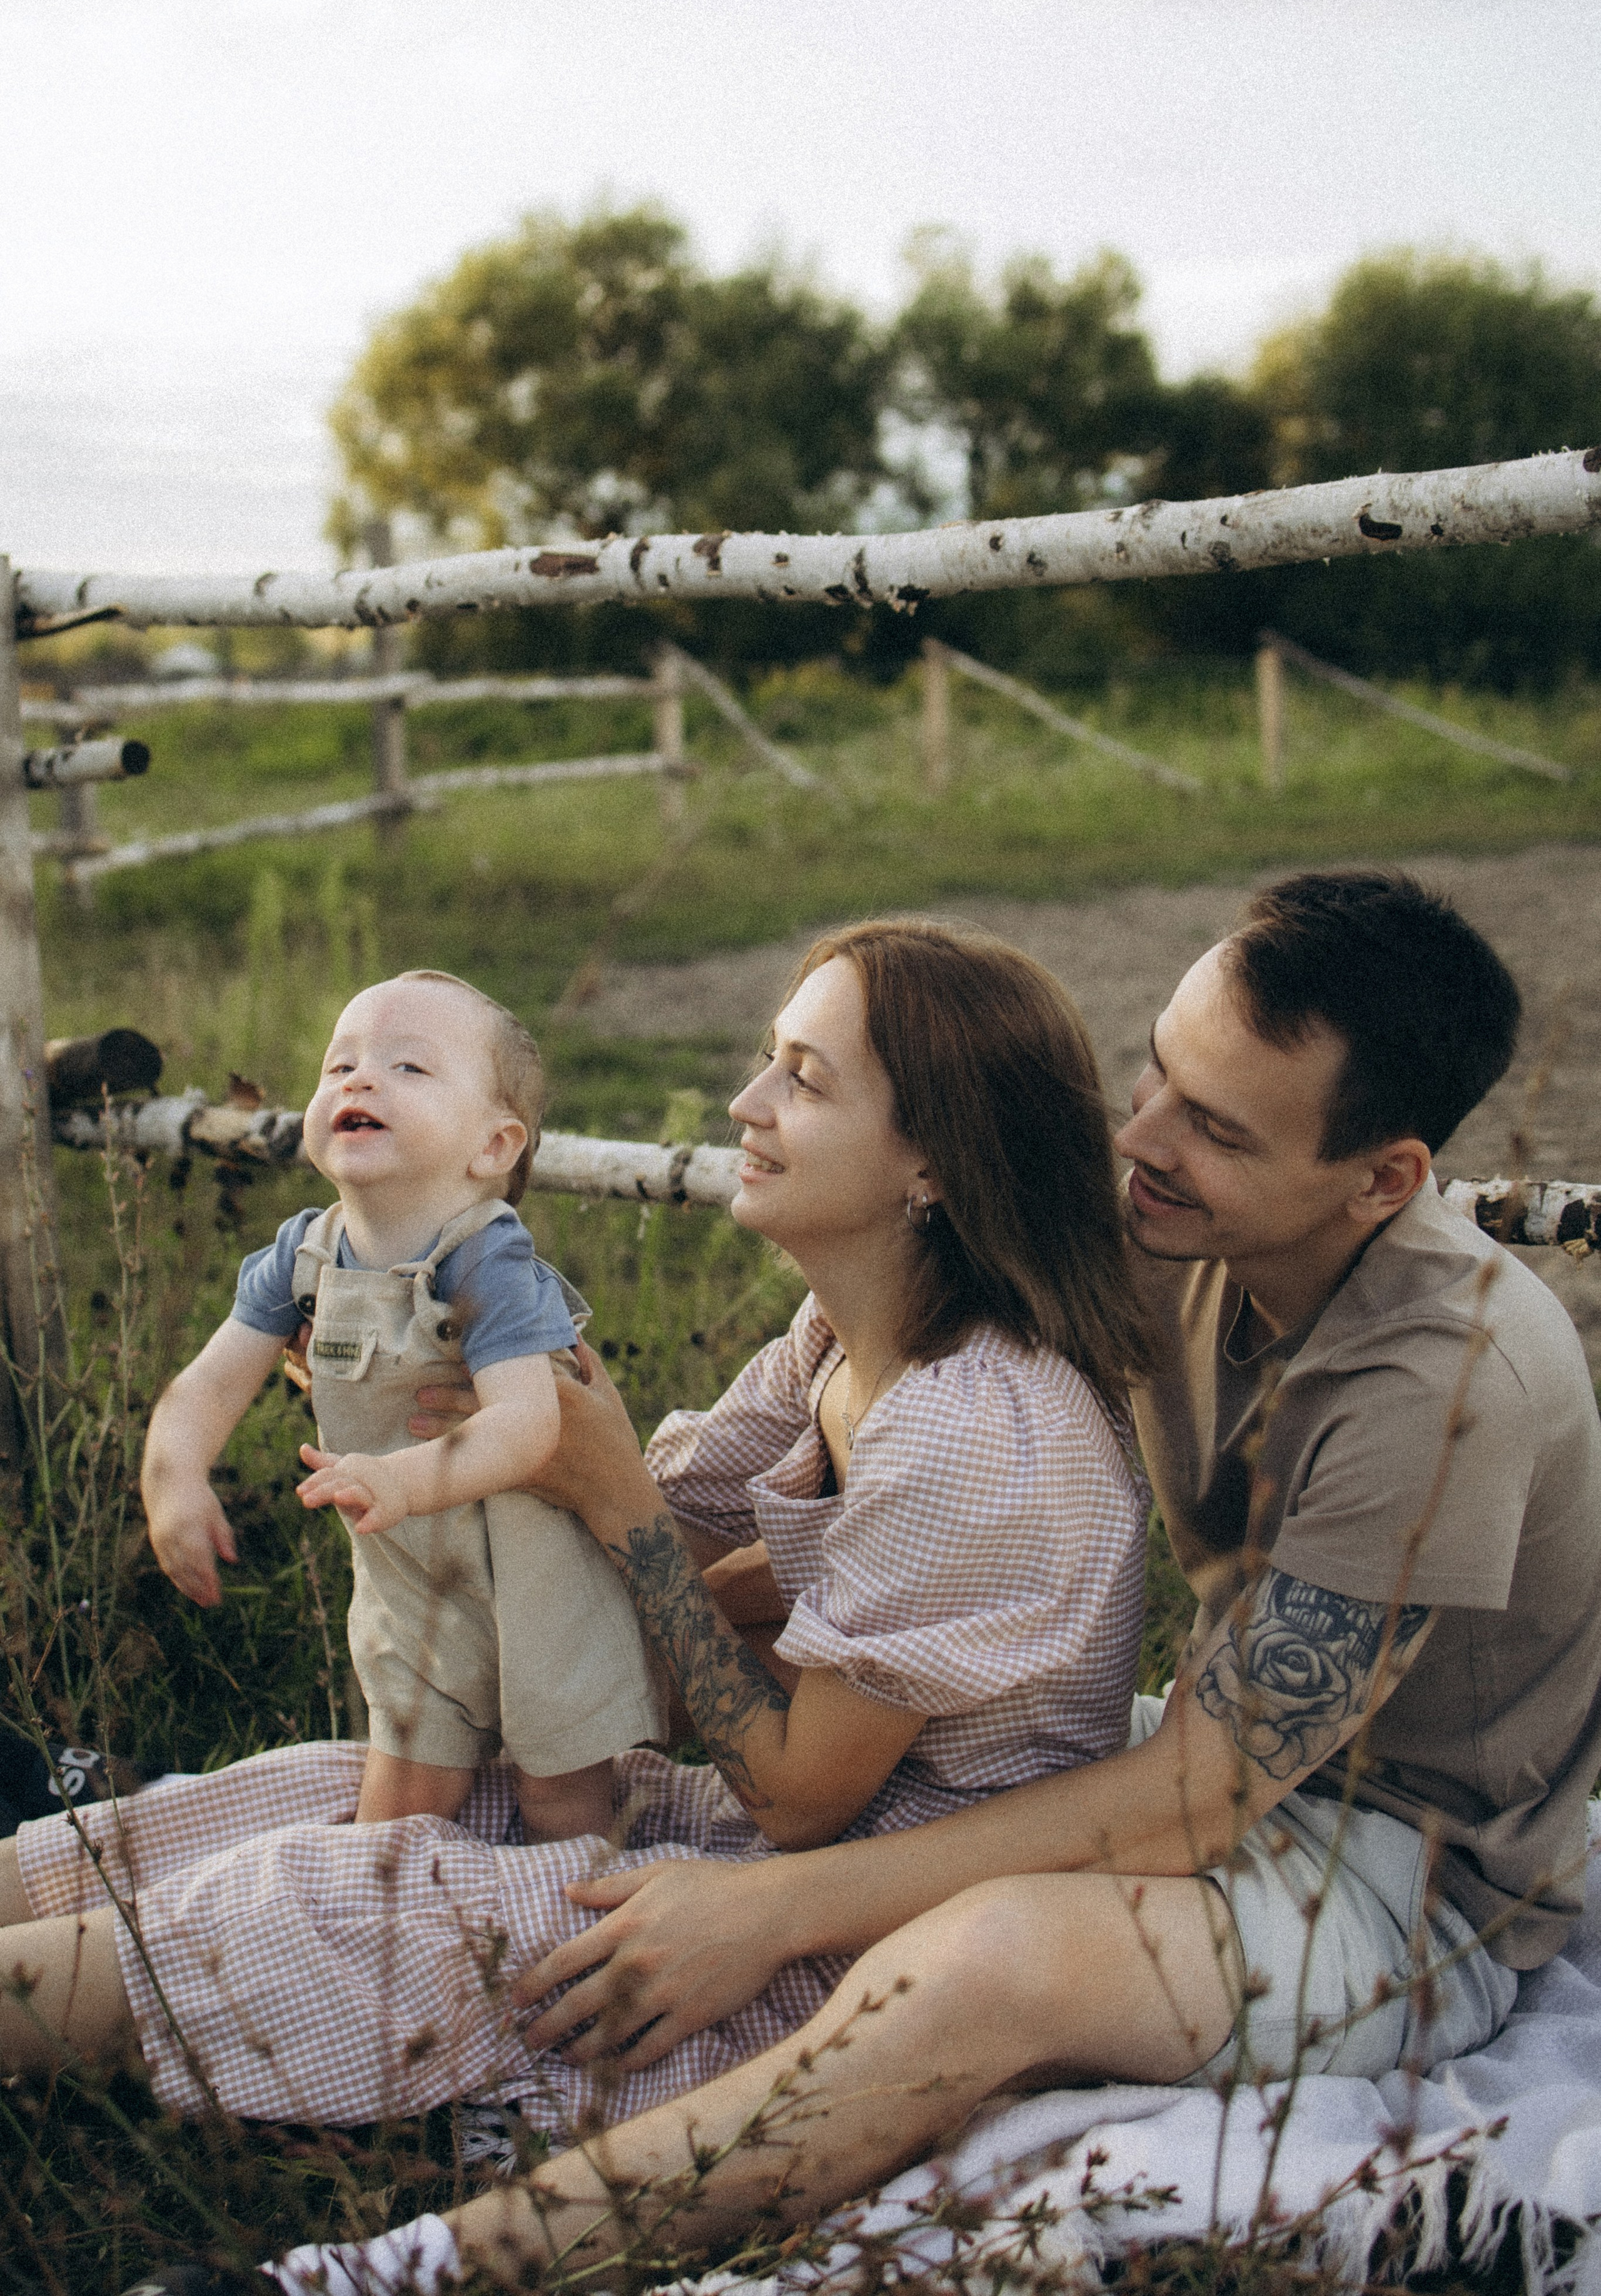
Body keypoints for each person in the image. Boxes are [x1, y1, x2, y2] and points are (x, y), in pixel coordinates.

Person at [221, 866, 1601, 2296]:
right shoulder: (1177, 1226)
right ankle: (191, 1907)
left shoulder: (1440, 1380)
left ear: (1381, 1178)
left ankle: (400, 2274)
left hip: (1402, 1878)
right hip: (1203, 1742)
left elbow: (1201, 1794)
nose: (1136, 1141)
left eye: (1215, 1127)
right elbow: (872, 1439)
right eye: (1156, 1074)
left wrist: (771, 1906)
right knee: (565, 1743)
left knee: (987, 1955)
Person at [0, 921, 1153, 2176]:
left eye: (804, 1080)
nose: (744, 1101)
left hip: (861, 1931)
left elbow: (794, 1785)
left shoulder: (975, 1427)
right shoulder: (836, 1338)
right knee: (321, 1788)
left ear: (932, 1163)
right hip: (762, 1836)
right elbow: (622, 1514)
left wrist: (616, 1500)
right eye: (769, 1061)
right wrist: (421, 1396)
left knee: (351, 1905)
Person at [139, 968, 664, 1843]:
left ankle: (564, 1934)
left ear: (494, 1146)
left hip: (535, 1576)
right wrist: (175, 1477)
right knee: (401, 1803)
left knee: (562, 1802)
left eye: (409, 1068)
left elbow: (527, 1425)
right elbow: (206, 1384)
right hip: (411, 1578)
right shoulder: (303, 1256)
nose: (359, 1079)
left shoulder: (486, 1262)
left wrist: (403, 1478)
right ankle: (391, 1938)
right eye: (338, 1064)